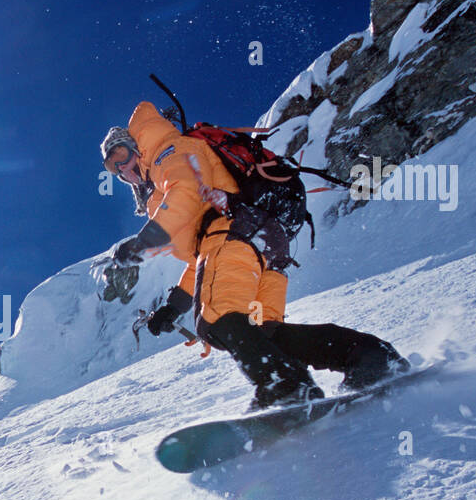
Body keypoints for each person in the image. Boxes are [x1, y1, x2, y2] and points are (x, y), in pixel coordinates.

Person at [100, 102, 408, 410]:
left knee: (217, 318)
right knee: (264, 332)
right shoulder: (157, 184)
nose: (122, 169)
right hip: (264, 243)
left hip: (235, 231)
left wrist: (144, 243)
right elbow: (202, 256)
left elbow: (187, 192)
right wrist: (173, 306)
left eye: (122, 156)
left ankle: (286, 388)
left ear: (136, 145)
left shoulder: (167, 151)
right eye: (113, 168)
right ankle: (368, 356)